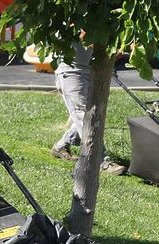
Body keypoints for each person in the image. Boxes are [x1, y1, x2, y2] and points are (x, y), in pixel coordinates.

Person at [50, 44, 126, 175]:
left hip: (96, 71)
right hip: (71, 72)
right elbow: (81, 34)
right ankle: (101, 161)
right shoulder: (75, 22)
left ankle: (61, 145)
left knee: (94, 113)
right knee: (87, 117)